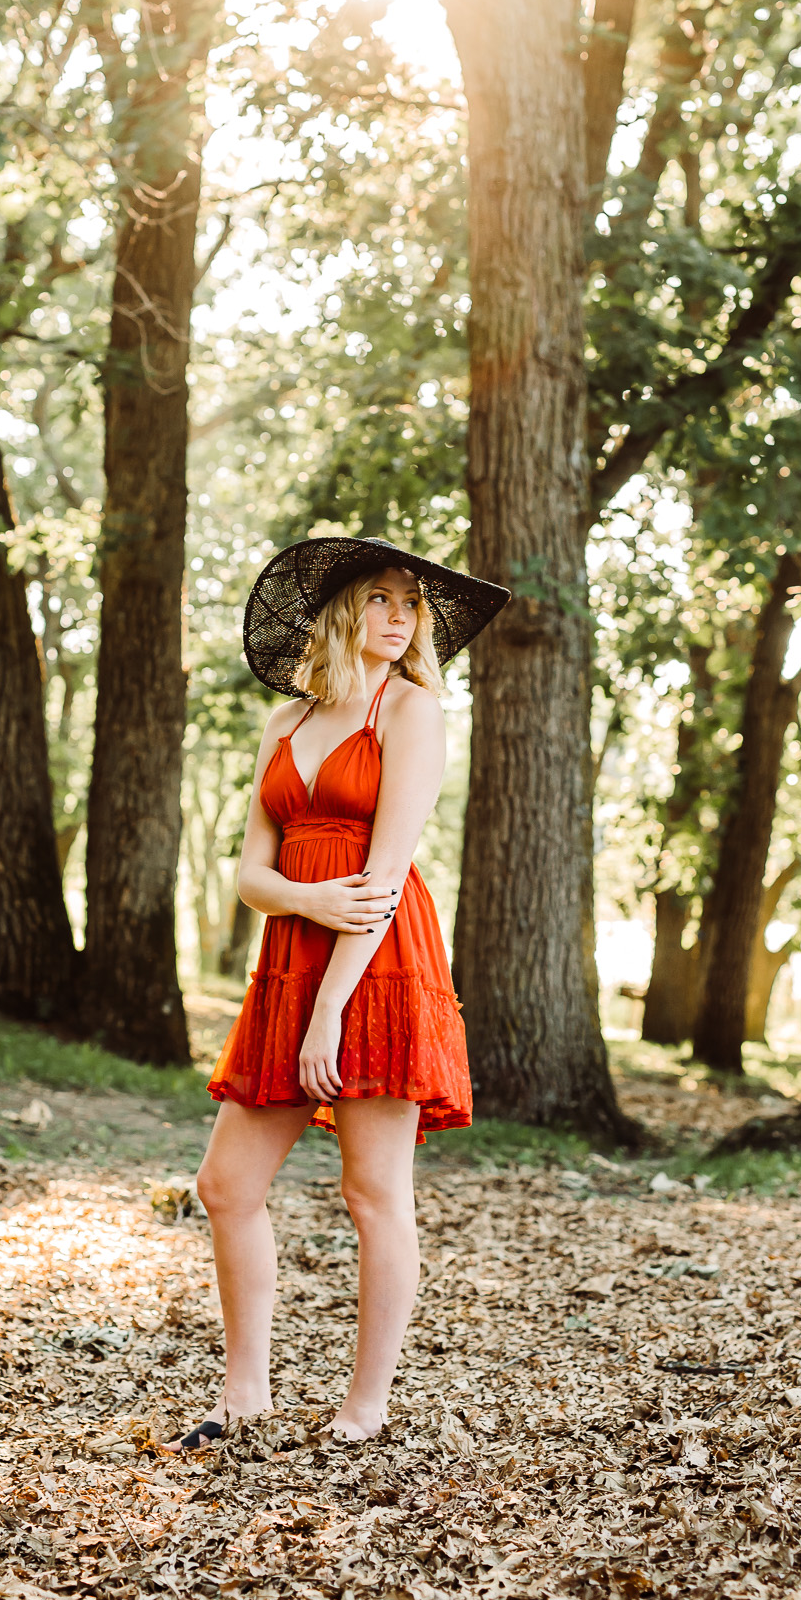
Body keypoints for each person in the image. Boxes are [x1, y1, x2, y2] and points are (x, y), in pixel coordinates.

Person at [167, 535, 509, 1451]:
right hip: (291, 960)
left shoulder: (411, 711)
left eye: (411, 604)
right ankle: (245, 1394)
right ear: (341, 611)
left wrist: (329, 1012)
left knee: (372, 1192)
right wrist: (305, 899)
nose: (399, 618)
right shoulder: (284, 724)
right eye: (381, 599)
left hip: (378, 963)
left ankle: (365, 1406)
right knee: (225, 1185)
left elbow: (386, 877)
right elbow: (251, 875)